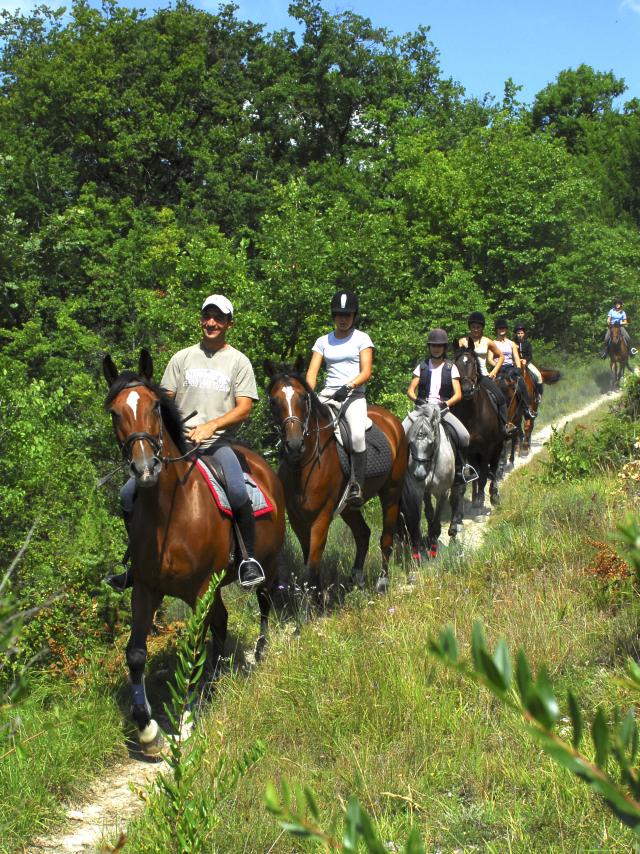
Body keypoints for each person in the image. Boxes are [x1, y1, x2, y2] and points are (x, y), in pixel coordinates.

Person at [105, 294, 265, 591]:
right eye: (207, 316)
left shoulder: (238, 361)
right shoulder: (182, 358)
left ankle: (248, 559)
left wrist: (211, 426)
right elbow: (160, 402)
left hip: (217, 444)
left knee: (237, 492)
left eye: (219, 318)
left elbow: (244, 407)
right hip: (178, 447)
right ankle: (136, 561)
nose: (212, 323)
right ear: (200, 320)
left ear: (230, 323)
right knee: (128, 495)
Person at [306, 289, 373, 508]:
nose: (343, 319)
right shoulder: (323, 341)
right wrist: (308, 393)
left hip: (353, 395)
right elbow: (313, 372)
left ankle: (357, 485)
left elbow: (366, 371)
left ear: (354, 316)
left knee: (356, 435)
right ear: (333, 316)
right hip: (328, 394)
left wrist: (349, 386)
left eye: (347, 315)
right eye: (339, 315)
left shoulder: (362, 339)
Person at [403, 328, 475, 484]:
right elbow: (410, 390)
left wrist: (445, 404)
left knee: (464, 436)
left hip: (442, 410)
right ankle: (399, 469)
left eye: (439, 346)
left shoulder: (451, 367)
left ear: (444, 348)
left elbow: (458, 394)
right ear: (429, 347)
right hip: (422, 410)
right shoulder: (422, 366)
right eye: (433, 346)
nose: (436, 349)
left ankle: (460, 469)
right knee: (400, 432)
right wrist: (417, 400)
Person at [458, 312, 513, 435]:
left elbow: (501, 356)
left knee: (500, 397)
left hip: (482, 376)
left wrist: (494, 371)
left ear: (482, 328)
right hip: (465, 377)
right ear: (469, 327)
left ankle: (505, 425)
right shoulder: (462, 341)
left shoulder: (487, 341)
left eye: (478, 327)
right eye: (473, 327)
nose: (475, 330)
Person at [490, 317, 533, 417]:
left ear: (506, 330)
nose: (502, 330)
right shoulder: (493, 343)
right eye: (500, 328)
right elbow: (490, 359)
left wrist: (518, 368)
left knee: (521, 382)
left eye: (504, 328)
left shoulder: (511, 343)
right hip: (498, 368)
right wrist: (496, 366)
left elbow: (516, 357)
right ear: (496, 330)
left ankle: (527, 407)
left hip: (510, 367)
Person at [514, 323, 544, 402]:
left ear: (524, 334)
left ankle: (538, 394)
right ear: (516, 334)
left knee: (538, 375)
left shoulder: (527, 343)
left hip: (526, 363)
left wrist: (525, 360)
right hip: (515, 364)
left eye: (521, 333)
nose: (520, 335)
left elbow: (530, 356)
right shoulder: (513, 344)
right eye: (518, 333)